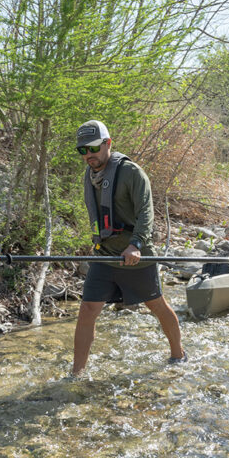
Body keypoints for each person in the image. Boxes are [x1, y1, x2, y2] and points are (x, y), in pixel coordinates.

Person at [72, 120, 185, 375]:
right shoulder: (89, 176)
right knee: (88, 309)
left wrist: (136, 244)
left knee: (156, 305)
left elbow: (146, 212)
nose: (88, 155)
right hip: (104, 256)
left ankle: (178, 355)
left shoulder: (132, 172)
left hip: (136, 256)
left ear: (107, 143)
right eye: (83, 151)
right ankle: (76, 374)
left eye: (92, 148)